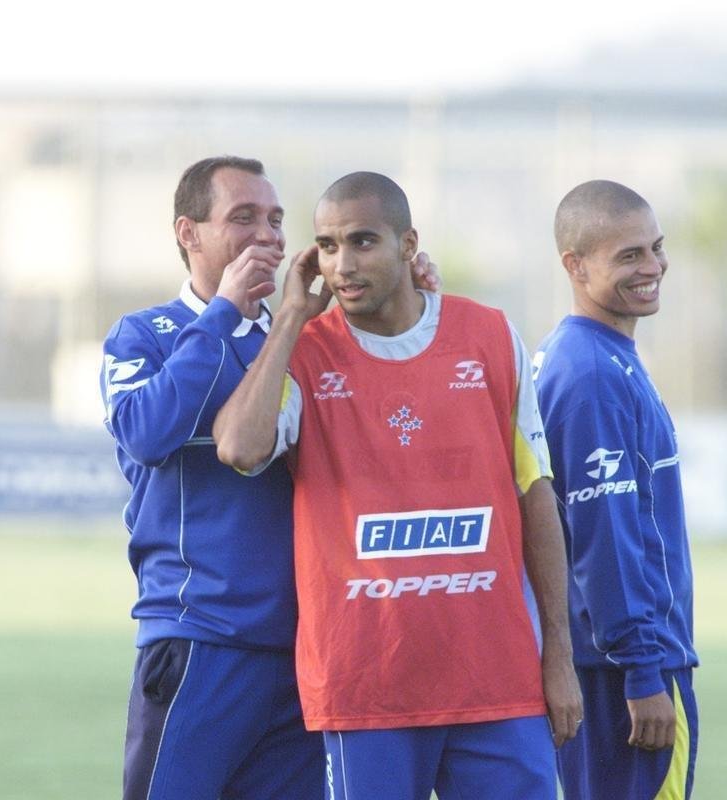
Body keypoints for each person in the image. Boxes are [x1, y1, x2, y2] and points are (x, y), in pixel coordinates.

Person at [213, 171, 582, 800]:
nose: (343, 264)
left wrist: (559, 655)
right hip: (364, 691)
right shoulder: (304, 354)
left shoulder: (490, 337)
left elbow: (535, 495)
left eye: (363, 242)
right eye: (326, 247)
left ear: (408, 245)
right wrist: (293, 317)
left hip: (496, 681)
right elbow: (240, 449)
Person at [100, 156, 439, 800]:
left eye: (277, 220)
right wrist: (224, 310)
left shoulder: (308, 340)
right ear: (188, 233)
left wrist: (417, 304)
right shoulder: (144, 334)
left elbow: (398, 435)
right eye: (244, 217)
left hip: (308, 649)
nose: (269, 235)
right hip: (201, 637)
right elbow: (144, 433)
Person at [532, 180, 699, 799]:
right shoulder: (592, 376)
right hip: (620, 675)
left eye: (656, 248)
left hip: (603, 665)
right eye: (628, 255)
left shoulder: (589, 355)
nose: (652, 267)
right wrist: (642, 672)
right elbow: (605, 537)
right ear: (574, 266)